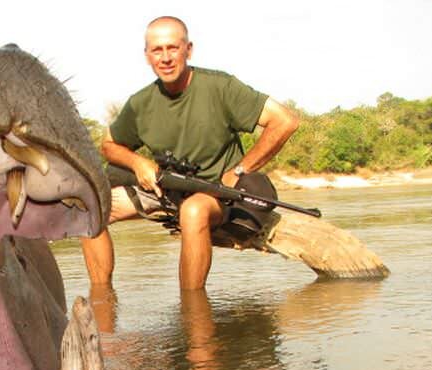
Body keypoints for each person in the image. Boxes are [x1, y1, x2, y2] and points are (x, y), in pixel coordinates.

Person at [82, 16, 299, 290]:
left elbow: (285, 121)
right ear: (147, 56)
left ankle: (193, 313)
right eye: (157, 50)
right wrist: (138, 163)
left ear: (189, 49)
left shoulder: (220, 86)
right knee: (89, 207)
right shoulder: (140, 103)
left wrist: (239, 170)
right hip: (170, 192)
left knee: (194, 210)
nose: (166, 58)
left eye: (173, 48)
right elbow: (109, 145)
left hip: (224, 195)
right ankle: (102, 306)